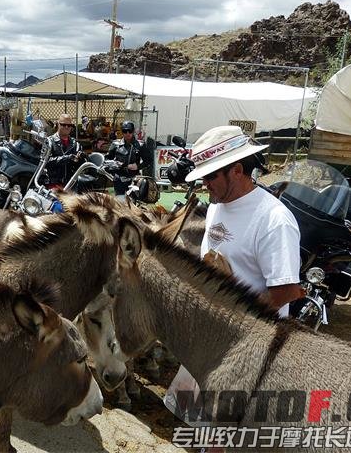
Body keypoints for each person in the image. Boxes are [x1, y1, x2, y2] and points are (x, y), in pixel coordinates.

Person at [163, 125, 303, 423]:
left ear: (237, 170)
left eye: (211, 175)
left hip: (251, 346)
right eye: (202, 175)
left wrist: (236, 319)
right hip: (213, 338)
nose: (204, 183)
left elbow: (287, 291)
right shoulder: (217, 207)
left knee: (230, 430)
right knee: (200, 422)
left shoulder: (273, 219)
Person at [44, 114, 85, 189]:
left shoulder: (75, 143)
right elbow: (45, 162)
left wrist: (81, 158)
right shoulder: (49, 141)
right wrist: (66, 158)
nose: (66, 127)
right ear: (58, 124)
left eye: (69, 125)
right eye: (63, 124)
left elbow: (81, 166)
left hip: (71, 184)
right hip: (54, 184)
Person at [105, 120, 142, 198]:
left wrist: (137, 166)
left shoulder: (140, 145)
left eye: (130, 131)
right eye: (125, 131)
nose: (128, 133)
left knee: (133, 203)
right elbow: (107, 160)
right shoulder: (115, 144)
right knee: (120, 202)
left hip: (134, 179)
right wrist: (114, 165)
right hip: (119, 179)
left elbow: (149, 161)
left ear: (133, 131)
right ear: (122, 132)